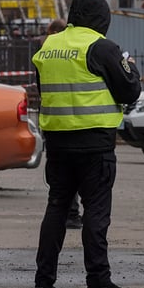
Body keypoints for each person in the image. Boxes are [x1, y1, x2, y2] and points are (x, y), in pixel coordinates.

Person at [31, 0, 142, 288]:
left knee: (57, 208)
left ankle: (44, 281)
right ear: (101, 18)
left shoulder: (49, 45)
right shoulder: (101, 47)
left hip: (58, 143)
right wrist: (129, 66)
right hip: (95, 145)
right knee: (96, 212)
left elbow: (44, 88)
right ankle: (98, 281)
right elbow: (130, 90)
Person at [44, 17, 83, 229]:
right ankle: (74, 214)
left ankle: (71, 214)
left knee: (60, 184)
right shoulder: (77, 51)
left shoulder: (47, 53)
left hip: (55, 128)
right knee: (80, 181)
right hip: (78, 125)